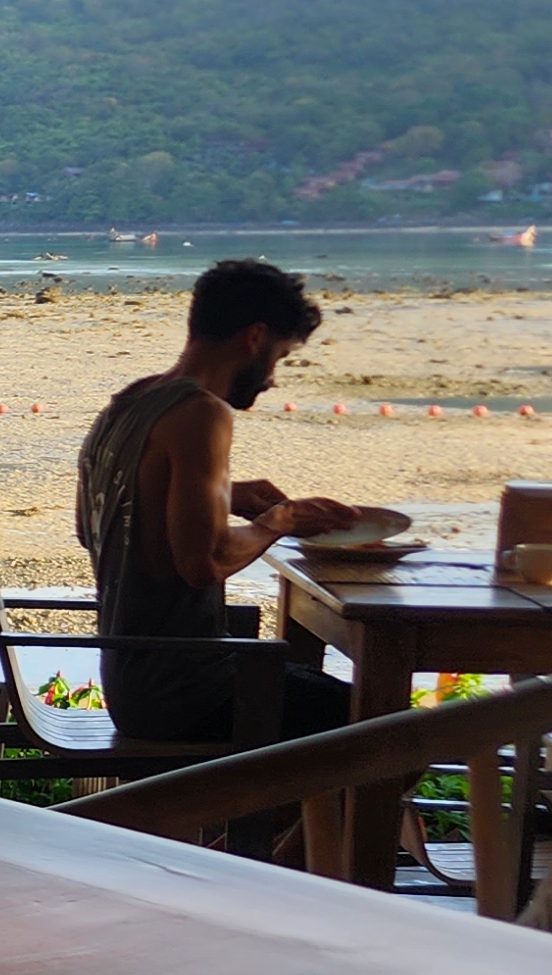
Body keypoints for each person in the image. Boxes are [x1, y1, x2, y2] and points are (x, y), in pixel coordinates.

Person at [74, 258, 364, 764]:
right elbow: (203, 562)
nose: (272, 379)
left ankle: (286, 815)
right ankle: (271, 820)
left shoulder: (129, 402)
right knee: (387, 725)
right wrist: (279, 521)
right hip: (188, 692)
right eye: (280, 357)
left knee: (324, 701)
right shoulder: (203, 413)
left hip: (130, 681)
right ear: (254, 337)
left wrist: (228, 495)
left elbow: (92, 525)